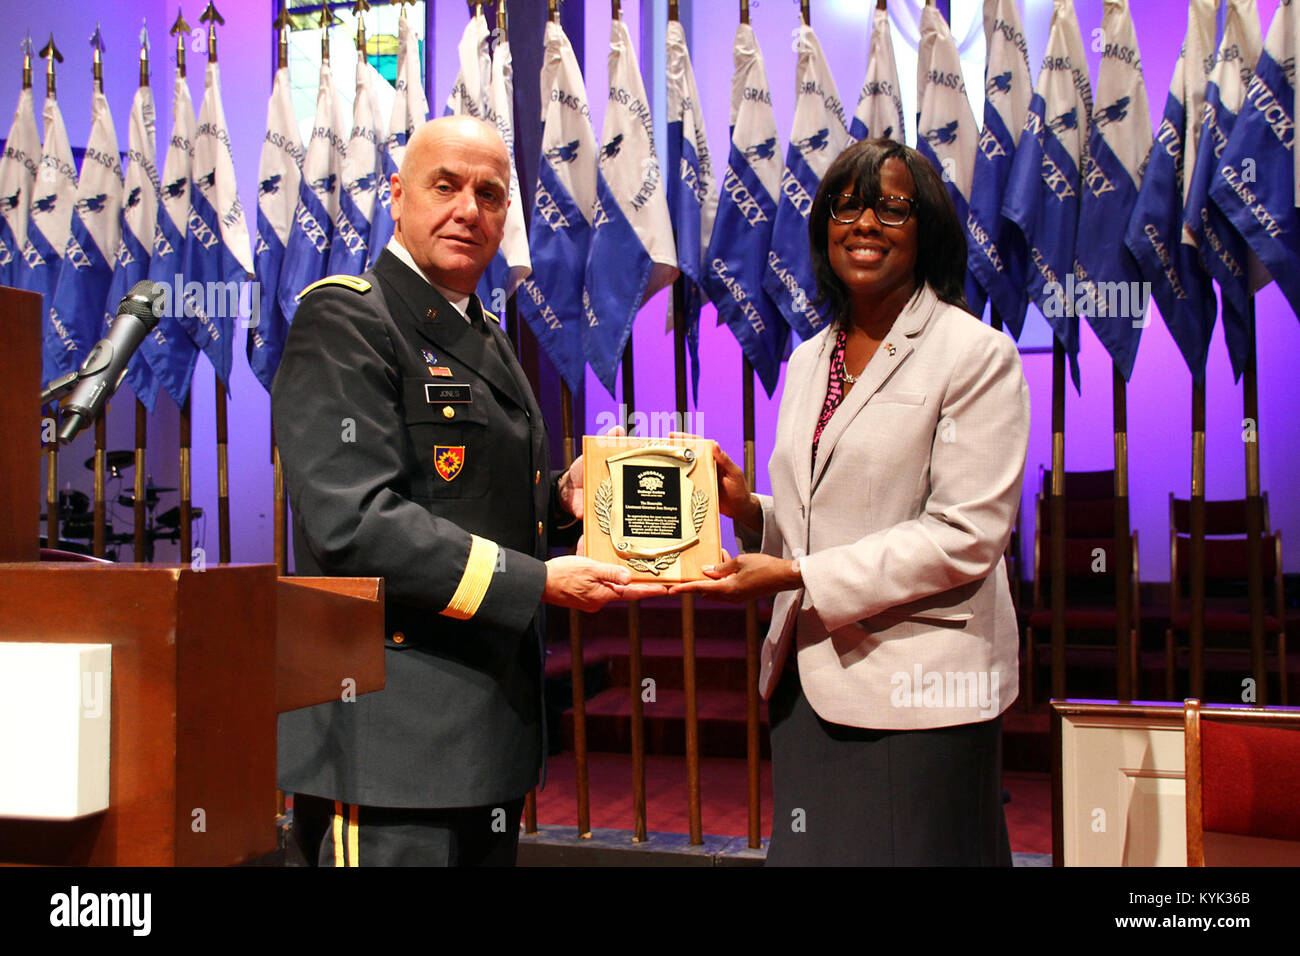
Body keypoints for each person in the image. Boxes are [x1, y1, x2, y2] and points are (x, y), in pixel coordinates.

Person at [272, 115, 659, 867]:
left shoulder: (480, 328)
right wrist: (538, 582)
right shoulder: (348, 316)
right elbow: (355, 520)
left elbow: (463, 492)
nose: (468, 210)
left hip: (481, 737)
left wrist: (559, 500)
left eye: (489, 193)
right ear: (397, 195)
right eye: (444, 186)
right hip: (388, 740)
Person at [673, 138, 1030, 865]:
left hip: (922, 693)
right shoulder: (810, 357)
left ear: (926, 229)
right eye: (847, 206)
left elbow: (964, 534)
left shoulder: (975, 354)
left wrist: (800, 578)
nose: (864, 223)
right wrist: (752, 514)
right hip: (809, 683)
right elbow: (824, 518)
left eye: (891, 208)